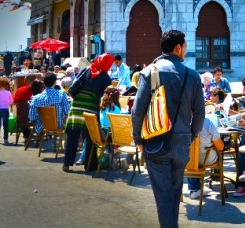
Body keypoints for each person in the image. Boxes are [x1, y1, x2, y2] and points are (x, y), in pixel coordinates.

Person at [131, 30, 205, 228]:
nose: (186, 52)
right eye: (186, 47)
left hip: (155, 144)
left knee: (164, 197)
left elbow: (137, 112)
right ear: (178, 48)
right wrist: (191, 136)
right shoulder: (193, 76)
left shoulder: (149, 73)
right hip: (181, 145)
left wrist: (138, 140)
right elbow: (199, 116)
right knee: (173, 194)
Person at [63, 53, 113, 172]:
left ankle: (67, 163)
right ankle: (90, 166)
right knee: (91, 137)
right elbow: (105, 95)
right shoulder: (106, 77)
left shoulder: (86, 69)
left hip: (76, 107)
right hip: (91, 108)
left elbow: (75, 84)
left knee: (72, 136)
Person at [187, 116, 225, 200]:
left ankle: (194, 188)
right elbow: (221, 147)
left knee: (191, 155)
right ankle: (197, 188)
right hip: (206, 160)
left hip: (186, 161)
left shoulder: (181, 122)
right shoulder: (206, 122)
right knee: (217, 150)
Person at [29, 72, 70, 137]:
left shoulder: (35, 98)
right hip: (58, 125)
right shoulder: (61, 94)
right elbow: (67, 111)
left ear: (44, 84)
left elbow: (32, 117)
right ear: (54, 83)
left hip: (42, 126)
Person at [0, 76, 14, 144]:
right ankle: (6, 139)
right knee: (5, 125)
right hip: (5, 109)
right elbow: (11, 102)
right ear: (7, 85)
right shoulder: (8, 93)